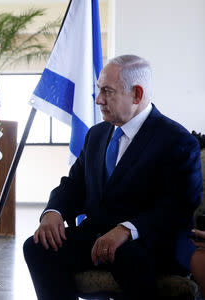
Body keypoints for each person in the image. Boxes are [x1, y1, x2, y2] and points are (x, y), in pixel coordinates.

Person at [23, 54, 203, 300]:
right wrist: (53, 212)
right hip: (95, 237)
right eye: (98, 90)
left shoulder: (177, 141)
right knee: (37, 247)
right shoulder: (97, 134)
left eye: (107, 91)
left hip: (145, 243)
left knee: (128, 257)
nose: (98, 100)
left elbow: (178, 207)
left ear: (137, 94)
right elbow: (74, 184)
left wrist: (127, 230)